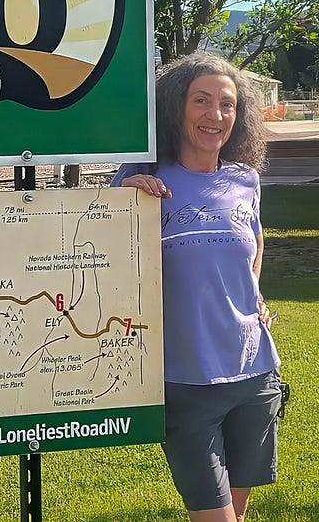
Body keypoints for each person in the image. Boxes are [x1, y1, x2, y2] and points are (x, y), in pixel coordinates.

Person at [112, 52, 282, 522]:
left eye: (227, 104)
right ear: (176, 107)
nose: (216, 115)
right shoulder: (143, 183)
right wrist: (121, 201)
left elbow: (256, 240)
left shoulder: (244, 180)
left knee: (238, 515)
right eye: (201, 101)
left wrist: (255, 294)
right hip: (185, 381)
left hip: (254, 373)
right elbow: (98, 252)